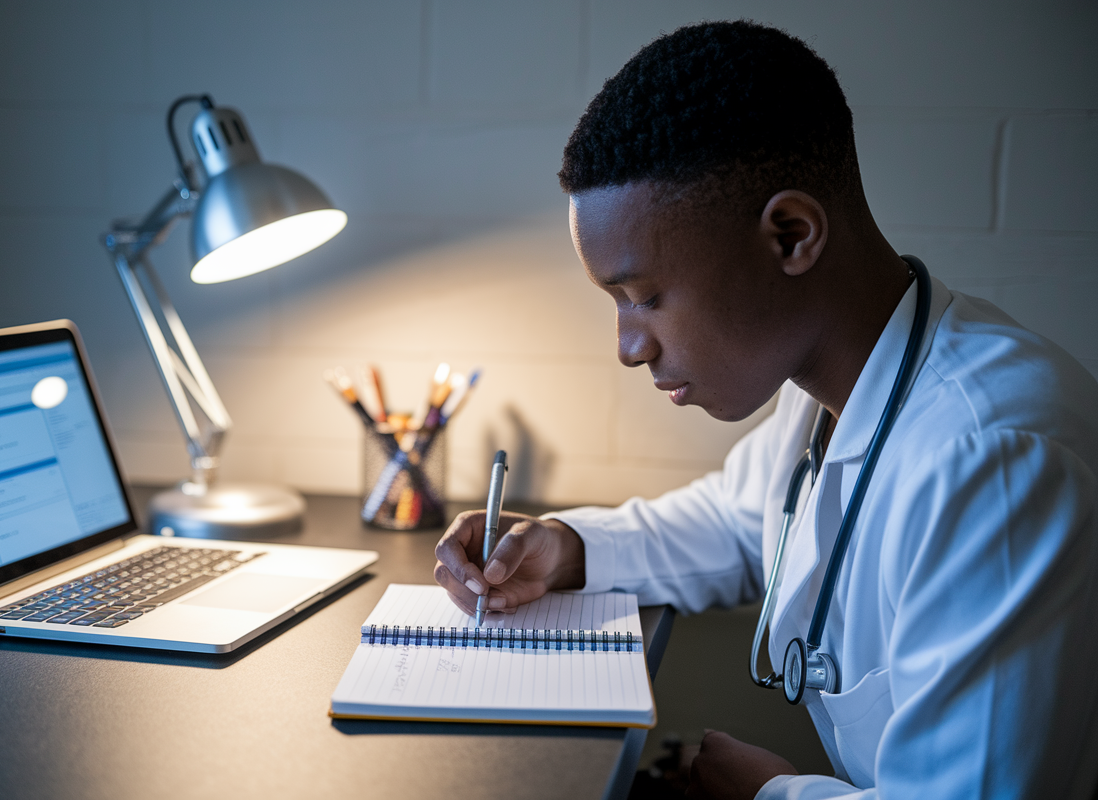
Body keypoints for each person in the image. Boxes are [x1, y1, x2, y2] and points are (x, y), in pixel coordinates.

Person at [433, 20, 1098, 800]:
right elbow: (738, 520)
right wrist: (564, 545)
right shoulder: (826, 387)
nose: (627, 347)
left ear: (791, 236)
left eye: (645, 296)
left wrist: (769, 795)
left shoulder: (995, 458)